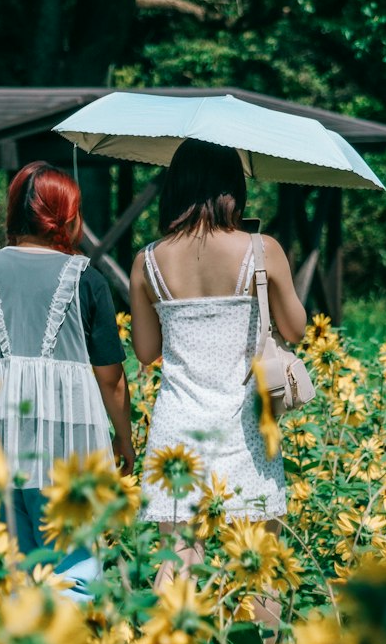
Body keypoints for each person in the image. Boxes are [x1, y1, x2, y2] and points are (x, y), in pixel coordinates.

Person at [128, 139, 307, 588]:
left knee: (178, 563)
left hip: (178, 427)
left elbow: (146, 351)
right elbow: (296, 329)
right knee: (257, 567)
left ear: (176, 186)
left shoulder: (147, 260)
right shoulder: (263, 250)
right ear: (233, 189)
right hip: (246, 427)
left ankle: (169, 636)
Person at [0, 161, 135, 566]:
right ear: (66, 215)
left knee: (6, 568)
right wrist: (124, 438)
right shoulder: (87, 278)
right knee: (73, 567)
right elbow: (111, 379)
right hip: (71, 451)